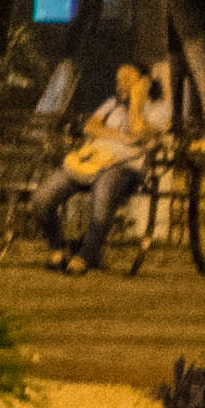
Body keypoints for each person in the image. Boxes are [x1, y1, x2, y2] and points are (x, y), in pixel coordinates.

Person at [38, 60, 166, 267]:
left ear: (145, 82)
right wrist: (119, 137)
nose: (121, 83)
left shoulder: (159, 109)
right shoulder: (112, 103)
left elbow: (138, 130)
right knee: (42, 198)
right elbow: (90, 126)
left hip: (125, 168)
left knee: (103, 200)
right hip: (90, 162)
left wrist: (136, 101)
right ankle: (58, 249)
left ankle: (86, 256)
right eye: (119, 79)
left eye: (128, 79)